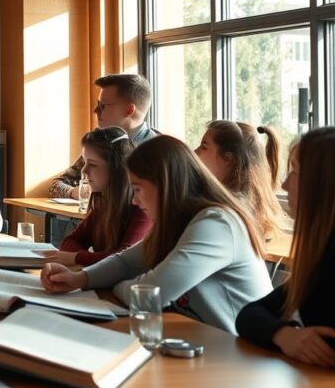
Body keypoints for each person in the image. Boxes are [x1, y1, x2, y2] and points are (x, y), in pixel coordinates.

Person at [41, 135, 271, 334]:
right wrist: (79, 279)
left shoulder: (217, 224)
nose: (134, 199)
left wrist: (113, 287)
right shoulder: (178, 221)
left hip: (238, 354)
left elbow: (151, 294)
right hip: (204, 340)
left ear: (164, 184)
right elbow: (126, 262)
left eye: (138, 188)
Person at [236, 128, 335, 367]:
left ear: (321, 185)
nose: (284, 184)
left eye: (295, 172)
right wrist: (284, 334)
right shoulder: (320, 253)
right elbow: (249, 315)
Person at [42, 127, 151, 266]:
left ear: (116, 169)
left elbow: (124, 259)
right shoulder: (103, 203)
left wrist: (77, 258)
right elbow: (69, 241)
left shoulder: (142, 207)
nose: (84, 170)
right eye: (85, 162)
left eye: (92, 164)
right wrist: (87, 258)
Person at [49, 73, 157, 199]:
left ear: (129, 111)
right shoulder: (101, 144)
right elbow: (55, 185)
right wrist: (75, 192)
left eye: (102, 106)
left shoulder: (158, 152)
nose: (95, 110)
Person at [194, 120, 286, 240]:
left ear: (228, 158)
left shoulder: (225, 215)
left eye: (204, 147)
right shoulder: (248, 205)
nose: (195, 152)